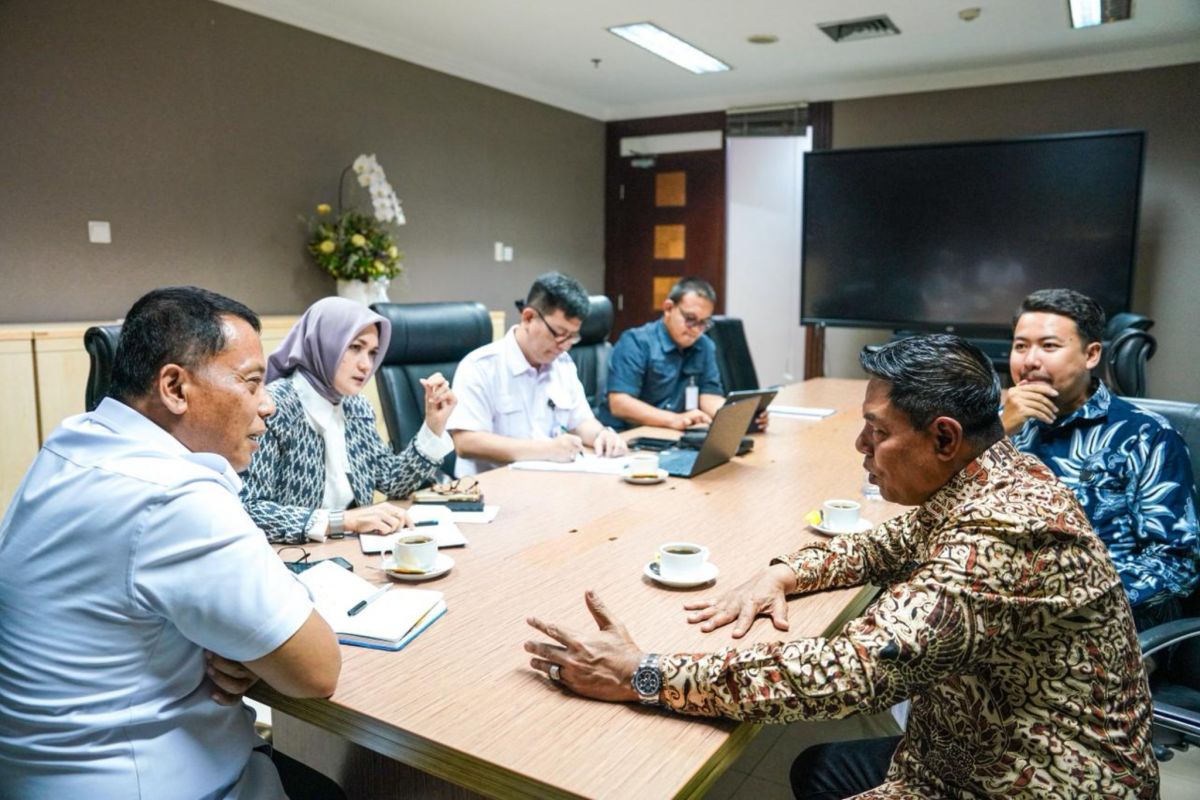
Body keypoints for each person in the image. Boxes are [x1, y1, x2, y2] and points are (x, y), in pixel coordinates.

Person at [524, 334, 1157, 798]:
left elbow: (851, 671)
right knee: (818, 770)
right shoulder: (988, 475)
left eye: (876, 432)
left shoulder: (1006, 528)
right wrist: (785, 572)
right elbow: (883, 544)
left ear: (942, 437)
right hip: (968, 746)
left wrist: (644, 674)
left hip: (1036, 781)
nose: (861, 446)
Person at [0, 287, 343, 799]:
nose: (267, 404)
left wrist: (235, 642)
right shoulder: (174, 497)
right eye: (251, 383)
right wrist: (248, 648)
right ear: (175, 388)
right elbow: (316, 669)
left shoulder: (74, 442)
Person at [1003, 288, 1199, 631]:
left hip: (1103, 621)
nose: (1029, 361)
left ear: (1091, 354)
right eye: (1021, 346)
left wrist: (1067, 596)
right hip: (999, 602)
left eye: (1049, 346)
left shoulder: (1146, 436)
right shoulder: (1000, 425)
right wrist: (998, 433)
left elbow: (1177, 563)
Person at [240, 297, 456, 544]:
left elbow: (393, 482)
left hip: (355, 549)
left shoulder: (356, 406)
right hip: (293, 560)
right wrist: (343, 520)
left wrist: (433, 425)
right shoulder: (274, 407)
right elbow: (250, 509)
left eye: (373, 353)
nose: (366, 365)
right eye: (355, 347)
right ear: (325, 343)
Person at [447, 271, 627, 476]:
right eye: (559, 334)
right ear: (528, 318)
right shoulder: (481, 367)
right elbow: (467, 442)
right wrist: (547, 450)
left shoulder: (563, 364)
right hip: (492, 491)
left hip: (551, 486)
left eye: (572, 337)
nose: (565, 346)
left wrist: (601, 435)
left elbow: (580, 421)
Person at [599, 277, 767, 432]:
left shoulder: (705, 346)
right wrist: (673, 420)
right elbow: (619, 403)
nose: (695, 329)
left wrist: (740, 417)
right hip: (630, 435)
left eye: (703, 323)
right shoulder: (636, 342)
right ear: (668, 308)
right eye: (690, 319)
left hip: (672, 434)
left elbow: (708, 396)